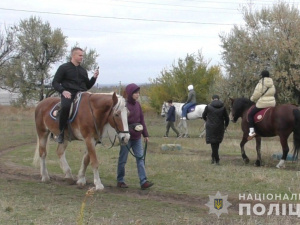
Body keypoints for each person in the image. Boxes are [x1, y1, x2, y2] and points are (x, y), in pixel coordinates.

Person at [52, 47, 99, 143]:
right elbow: (55, 82)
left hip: (82, 94)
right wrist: (63, 91)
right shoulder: (64, 68)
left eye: (83, 56)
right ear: (73, 55)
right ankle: (61, 133)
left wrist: (94, 77)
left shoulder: (83, 70)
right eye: (80, 55)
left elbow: (88, 85)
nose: (82, 57)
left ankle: (95, 133)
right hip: (69, 94)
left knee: (93, 107)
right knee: (65, 107)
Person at [117, 83, 154, 190]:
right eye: (135, 93)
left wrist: (145, 134)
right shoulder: (124, 105)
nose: (137, 95)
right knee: (123, 159)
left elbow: (141, 119)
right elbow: (121, 121)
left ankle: (143, 182)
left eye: (138, 93)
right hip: (126, 138)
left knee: (140, 158)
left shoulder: (138, 105)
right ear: (130, 94)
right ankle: (120, 180)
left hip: (137, 138)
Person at [248, 70, 276, 140]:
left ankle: (251, 132)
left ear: (262, 76)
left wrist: (251, 99)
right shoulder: (272, 84)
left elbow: (256, 94)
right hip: (272, 103)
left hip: (262, 103)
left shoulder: (261, 83)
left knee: (250, 115)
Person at [202, 95, 229, 165]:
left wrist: (207, 121)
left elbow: (203, 116)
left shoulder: (208, 107)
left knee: (213, 143)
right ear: (218, 99)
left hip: (210, 127)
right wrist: (225, 125)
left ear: (212, 99)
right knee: (216, 143)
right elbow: (227, 118)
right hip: (220, 127)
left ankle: (216, 159)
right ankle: (213, 158)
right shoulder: (223, 108)